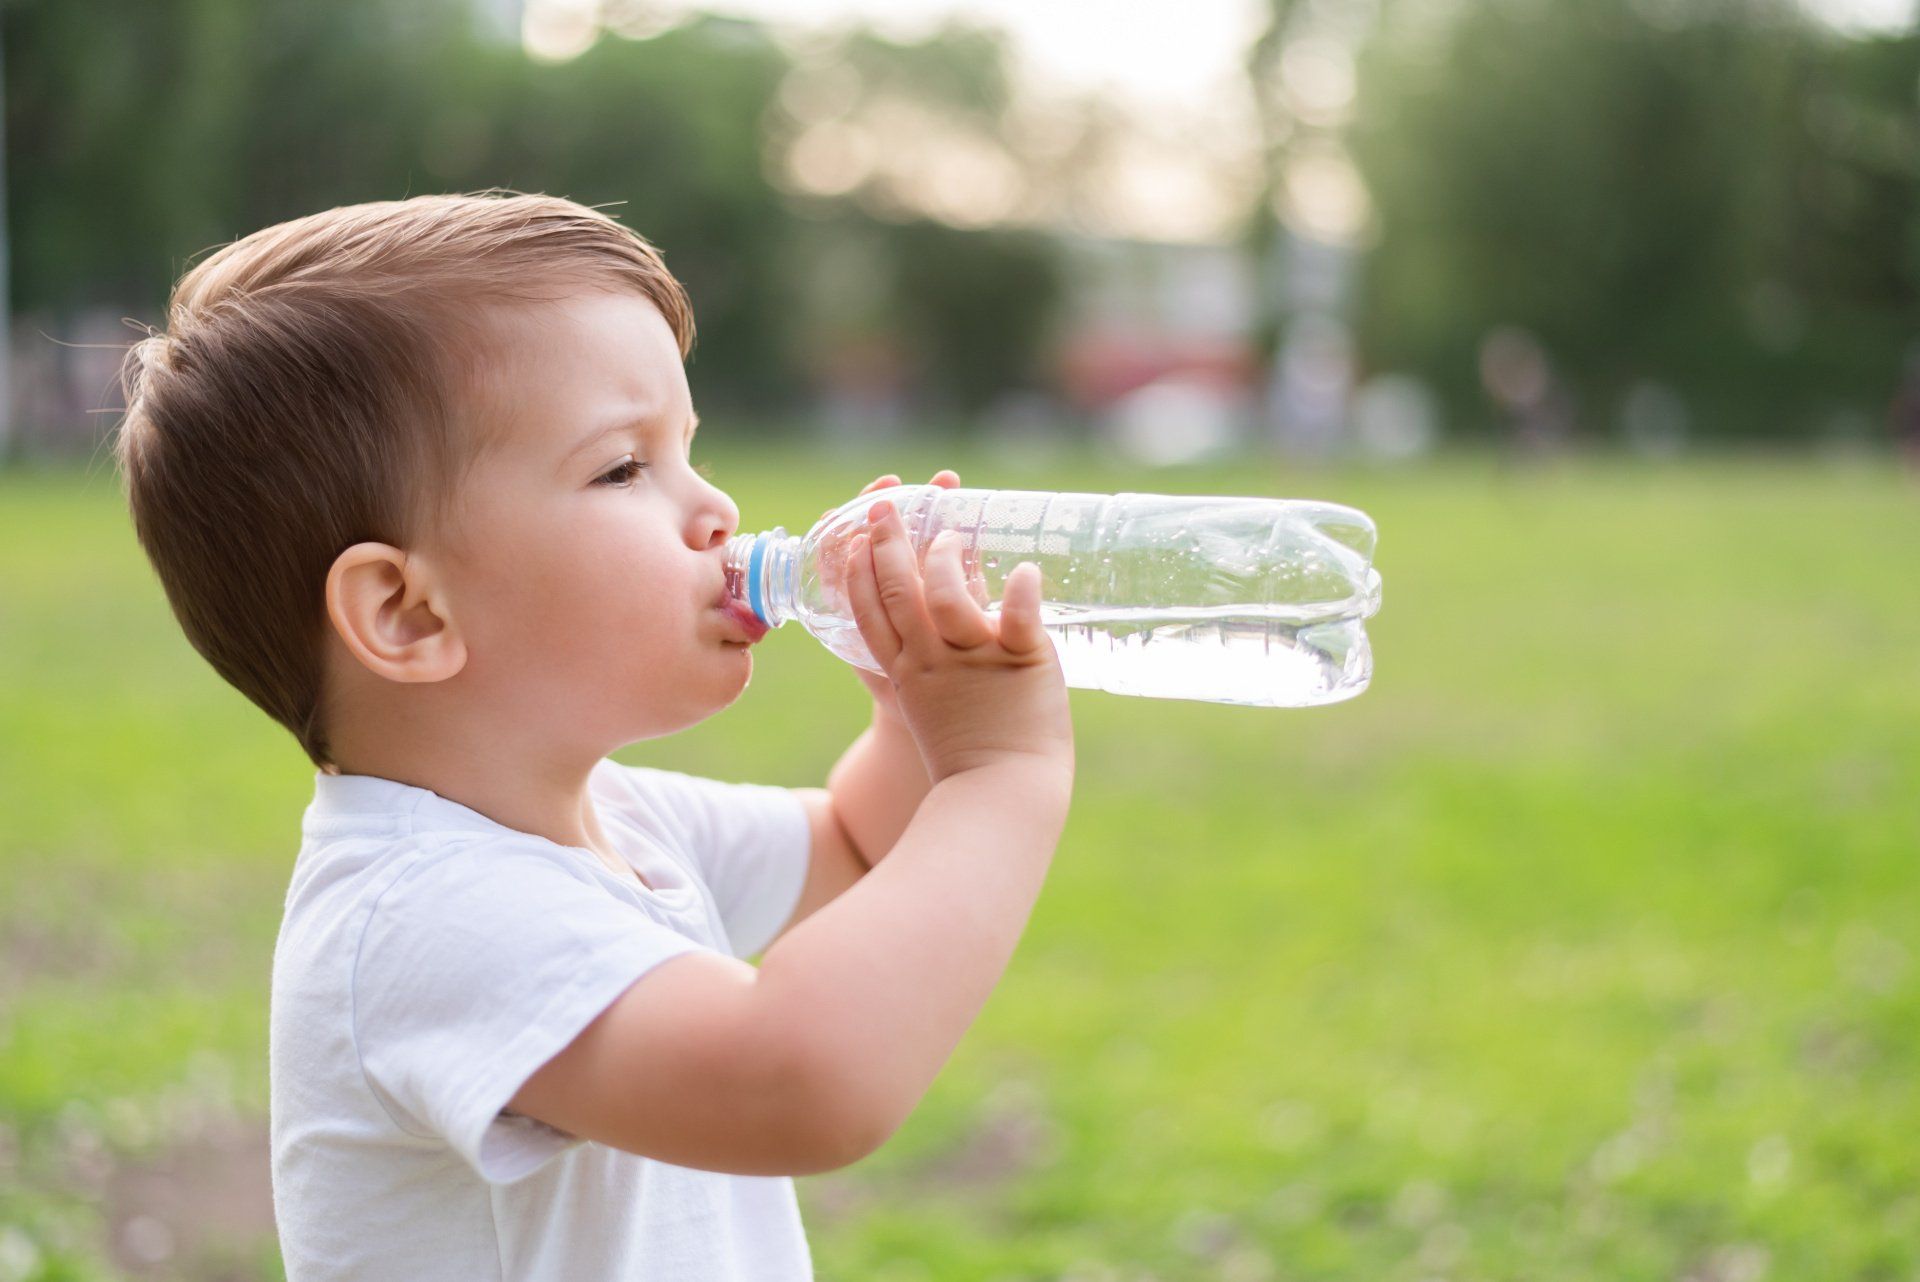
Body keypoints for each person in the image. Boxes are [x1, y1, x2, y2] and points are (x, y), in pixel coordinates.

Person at [112, 191, 1075, 1281]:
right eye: (625, 467)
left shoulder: (620, 816)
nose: (714, 509)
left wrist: (907, 714)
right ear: (408, 615)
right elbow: (800, 1082)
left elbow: (860, 846)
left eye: (689, 448)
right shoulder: (421, 916)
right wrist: (1002, 772)